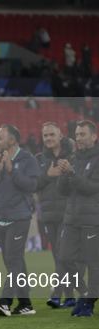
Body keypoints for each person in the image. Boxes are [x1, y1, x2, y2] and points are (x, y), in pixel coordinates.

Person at [0, 125, 40, 317]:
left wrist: (12, 170)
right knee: (13, 261)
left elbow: (31, 186)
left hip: (19, 217)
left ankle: (5, 301)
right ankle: (26, 304)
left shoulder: (29, 160)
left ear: (12, 140)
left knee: (13, 260)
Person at [57, 120, 99, 316]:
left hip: (92, 219)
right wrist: (64, 176)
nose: (79, 138)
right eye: (77, 135)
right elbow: (62, 191)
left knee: (93, 264)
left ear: (94, 136)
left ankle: (89, 304)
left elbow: (92, 188)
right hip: (71, 218)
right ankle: (83, 292)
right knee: (64, 257)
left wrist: (71, 174)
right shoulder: (73, 157)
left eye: (83, 134)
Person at [35, 122, 76, 308]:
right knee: (57, 255)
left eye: (52, 134)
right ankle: (70, 296)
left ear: (60, 136)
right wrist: (48, 175)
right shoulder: (38, 159)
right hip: (49, 215)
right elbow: (32, 185)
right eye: (46, 136)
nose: (49, 138)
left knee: (62, 254)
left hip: (69, 213)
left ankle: (56, 293)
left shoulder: (73, 156)